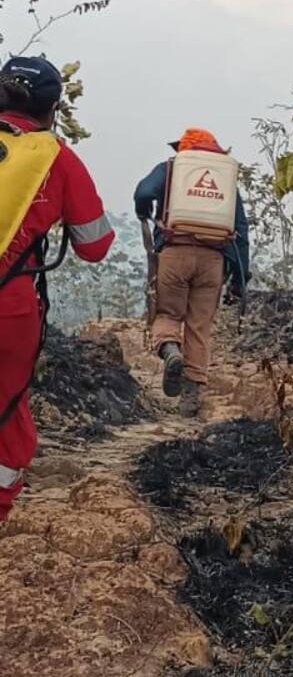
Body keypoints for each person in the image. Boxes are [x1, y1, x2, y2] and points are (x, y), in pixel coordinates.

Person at [0, 57, 115, 521]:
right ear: (53, 110)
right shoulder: (57, 159)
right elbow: (95, 245)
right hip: (9, 310)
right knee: (7, 412)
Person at [134, 129, 250, 417]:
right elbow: (242, 233)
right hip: (213, 262)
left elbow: (143, 192)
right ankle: (191, 395)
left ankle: (171, 350)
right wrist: (240, 279)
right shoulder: (225, 182)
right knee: (199, 327)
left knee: (167, 315)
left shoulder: (171, 169)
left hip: (174, 254)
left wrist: (144, 211)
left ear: (184, 149)